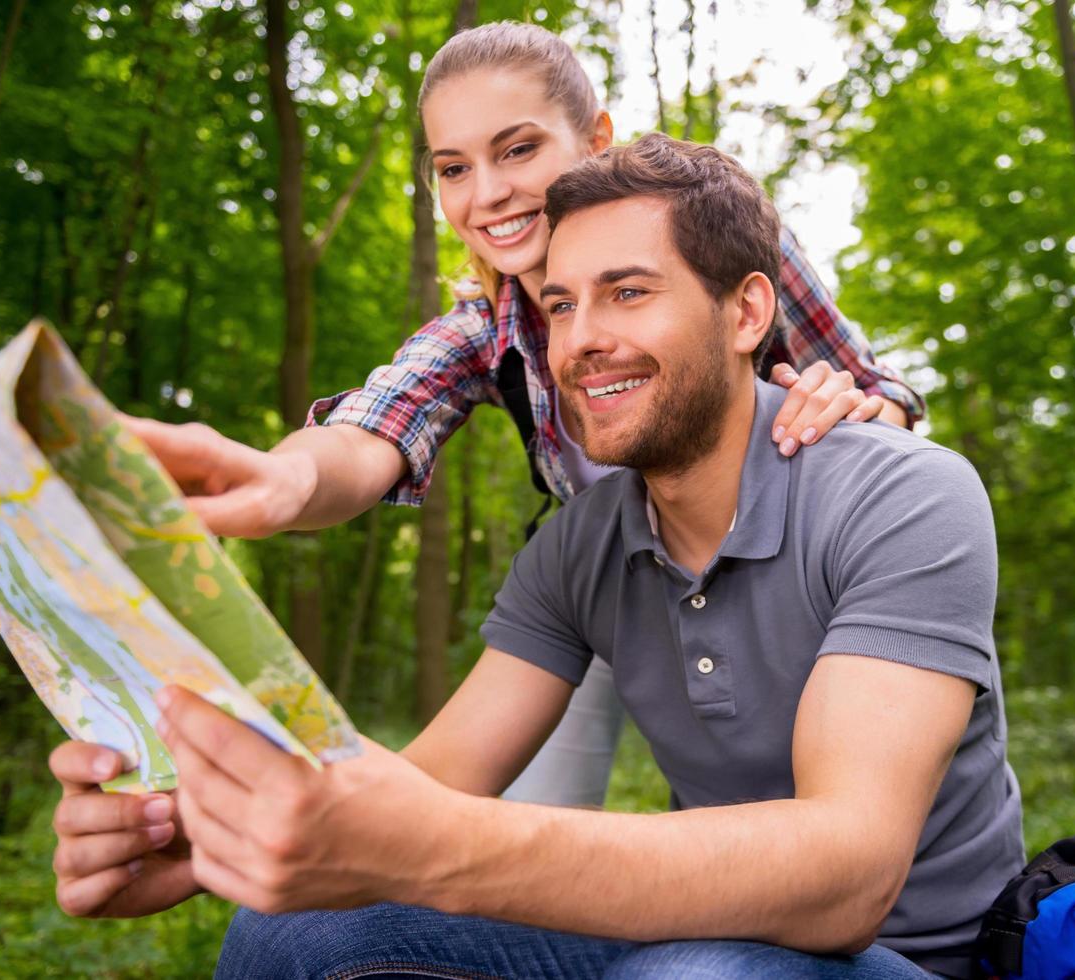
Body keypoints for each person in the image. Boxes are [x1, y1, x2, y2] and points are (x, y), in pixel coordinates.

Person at [54, 133, 1023, 979]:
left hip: (910, 961)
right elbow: (427, 786)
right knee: (292, 931)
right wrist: (208, 819)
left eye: (627, 293)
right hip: (695, 934)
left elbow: (844, 877)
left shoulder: (906, 495)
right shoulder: (578, 550)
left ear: (744, 314)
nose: (582, 342)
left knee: (699, 975)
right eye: (559, 306)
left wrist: (437, 847)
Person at [108, 20, 926, 812]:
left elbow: (879, 397)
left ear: (594, 137)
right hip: (614, 584)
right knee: (529, 841)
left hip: (781, 573)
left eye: (518, 148)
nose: (488, 193)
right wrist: (279, 480)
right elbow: (374, 427)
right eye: (452, 168)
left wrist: (858, 409)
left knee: (773, 803)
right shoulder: (481, 332)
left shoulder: (714, 247)